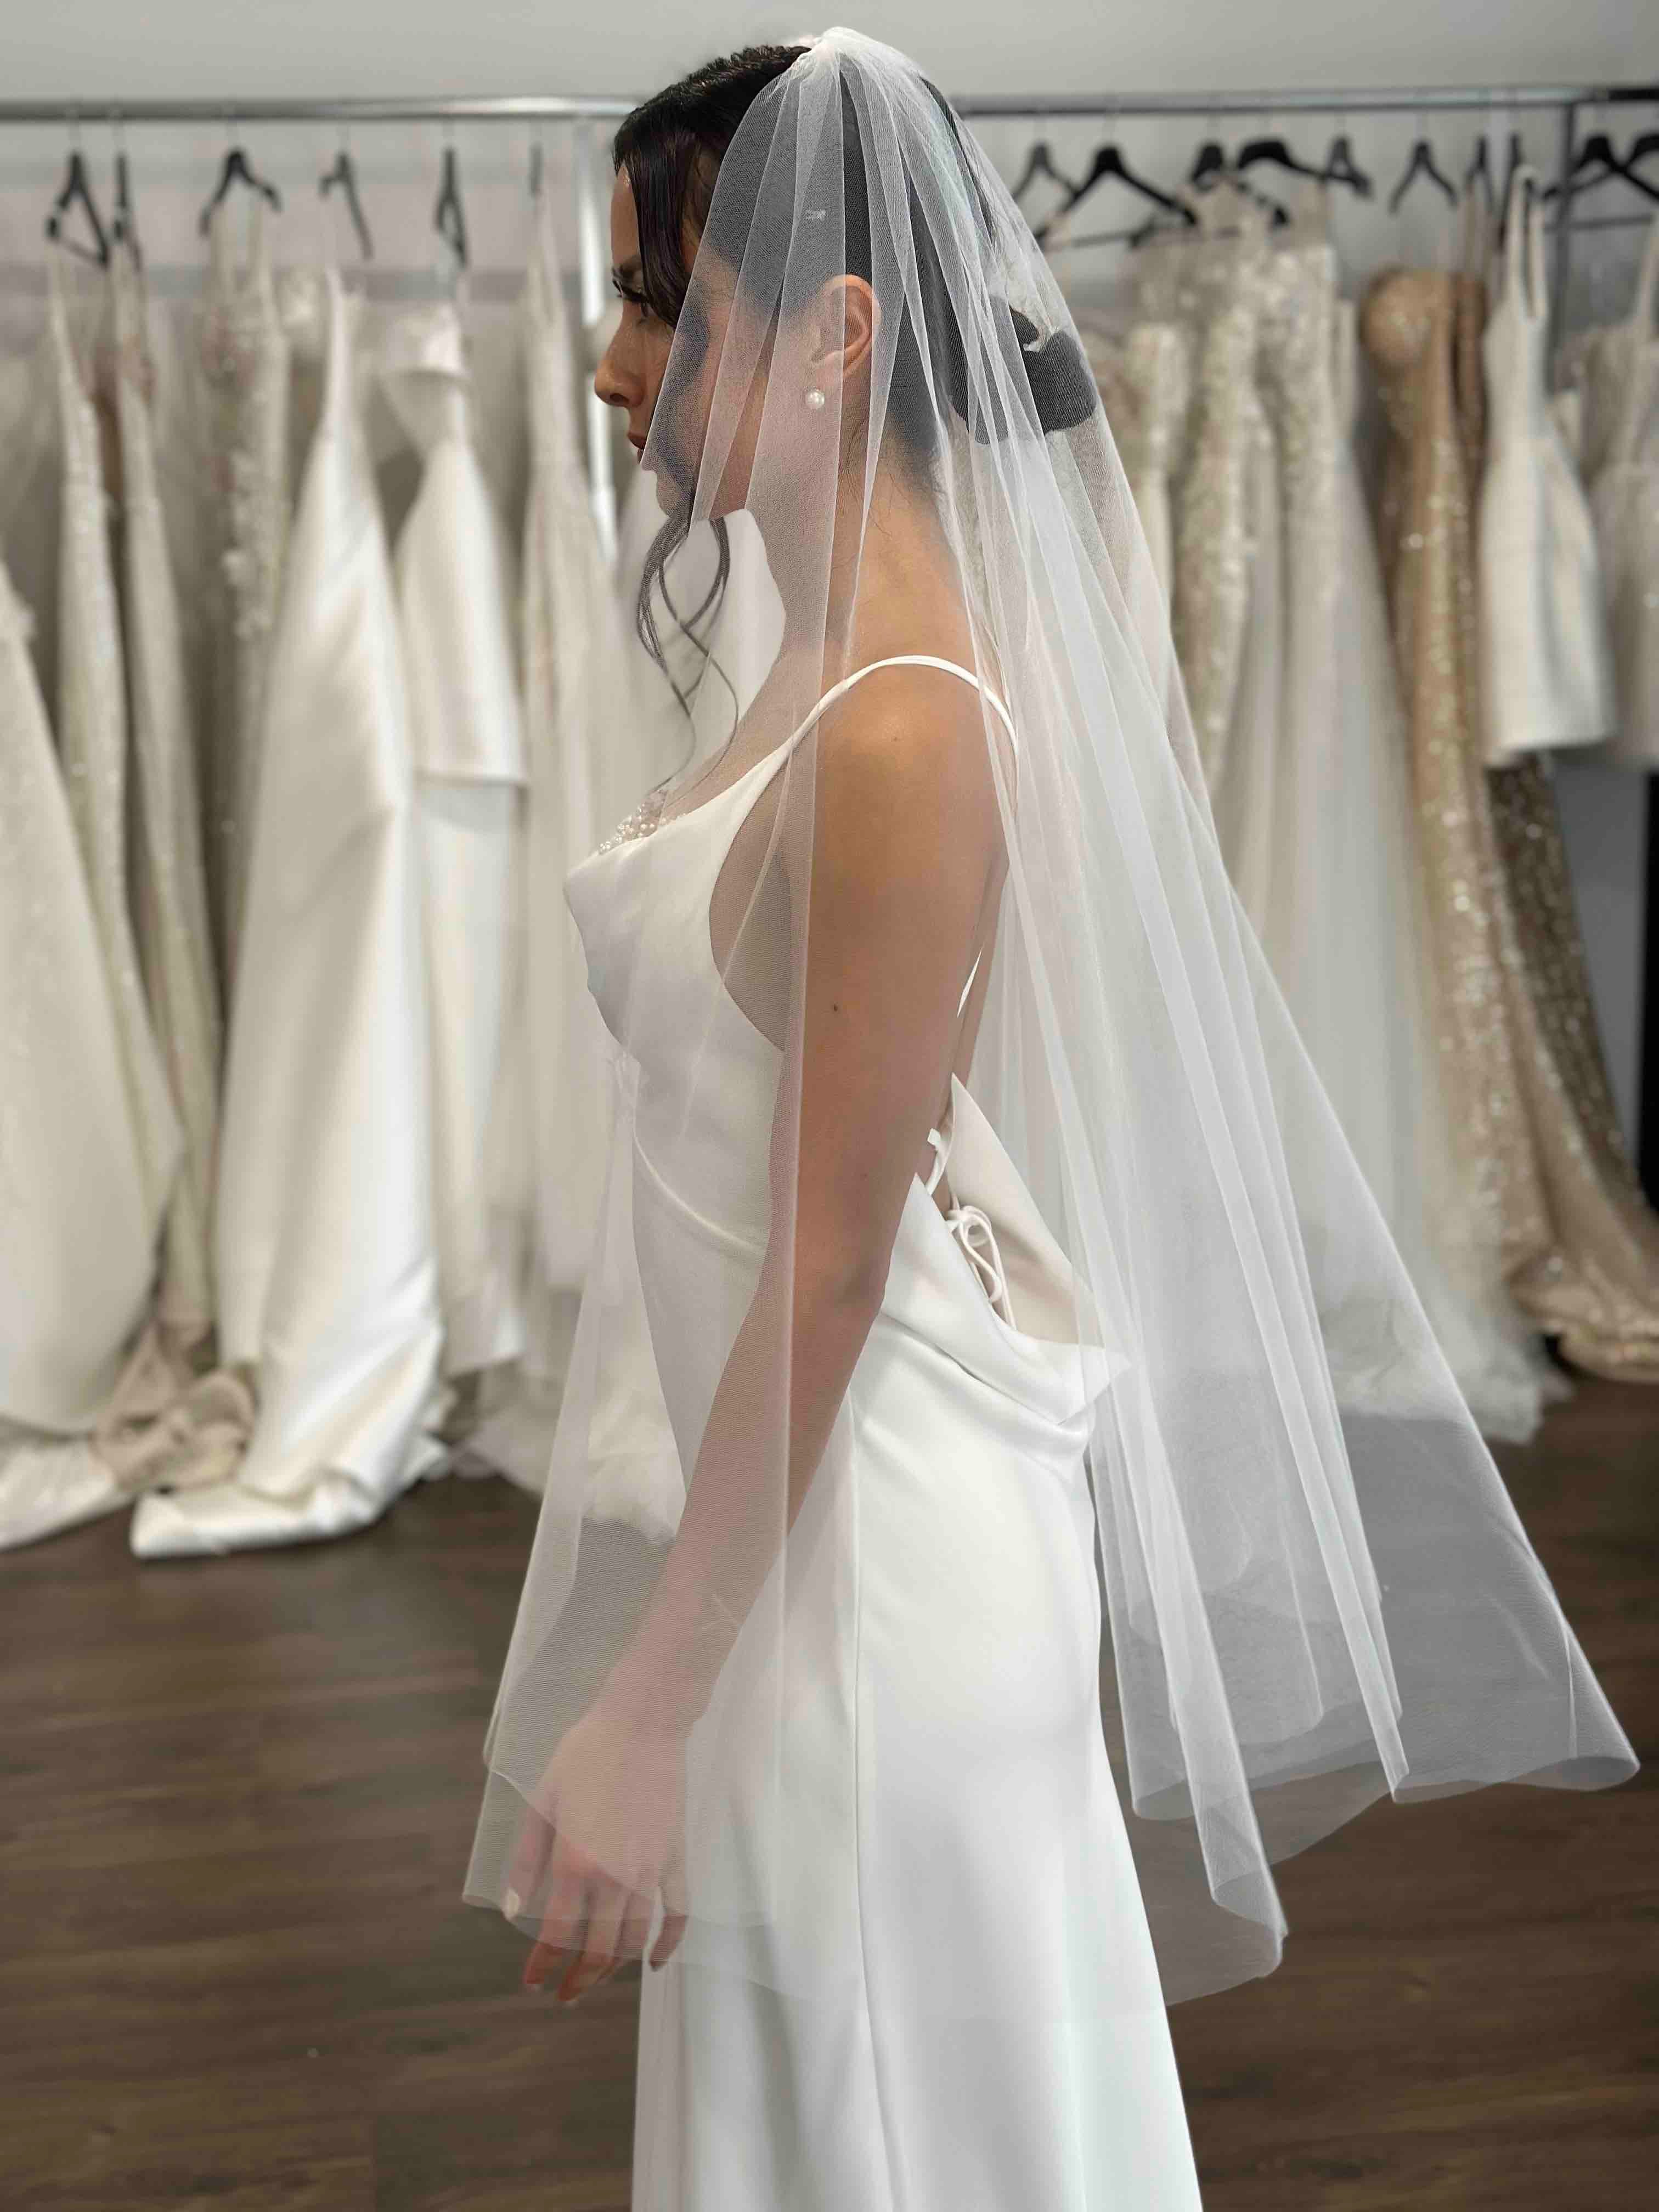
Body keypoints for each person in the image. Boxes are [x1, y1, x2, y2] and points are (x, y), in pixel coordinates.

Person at [464, 31, 1637, 2208]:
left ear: (834, 337)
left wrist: (650, 1700)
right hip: (827, 1538)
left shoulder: (905, 730)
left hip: (869, 1587)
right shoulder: (829, 674)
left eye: (662, 306)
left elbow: (828, 1263)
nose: (616, 370)